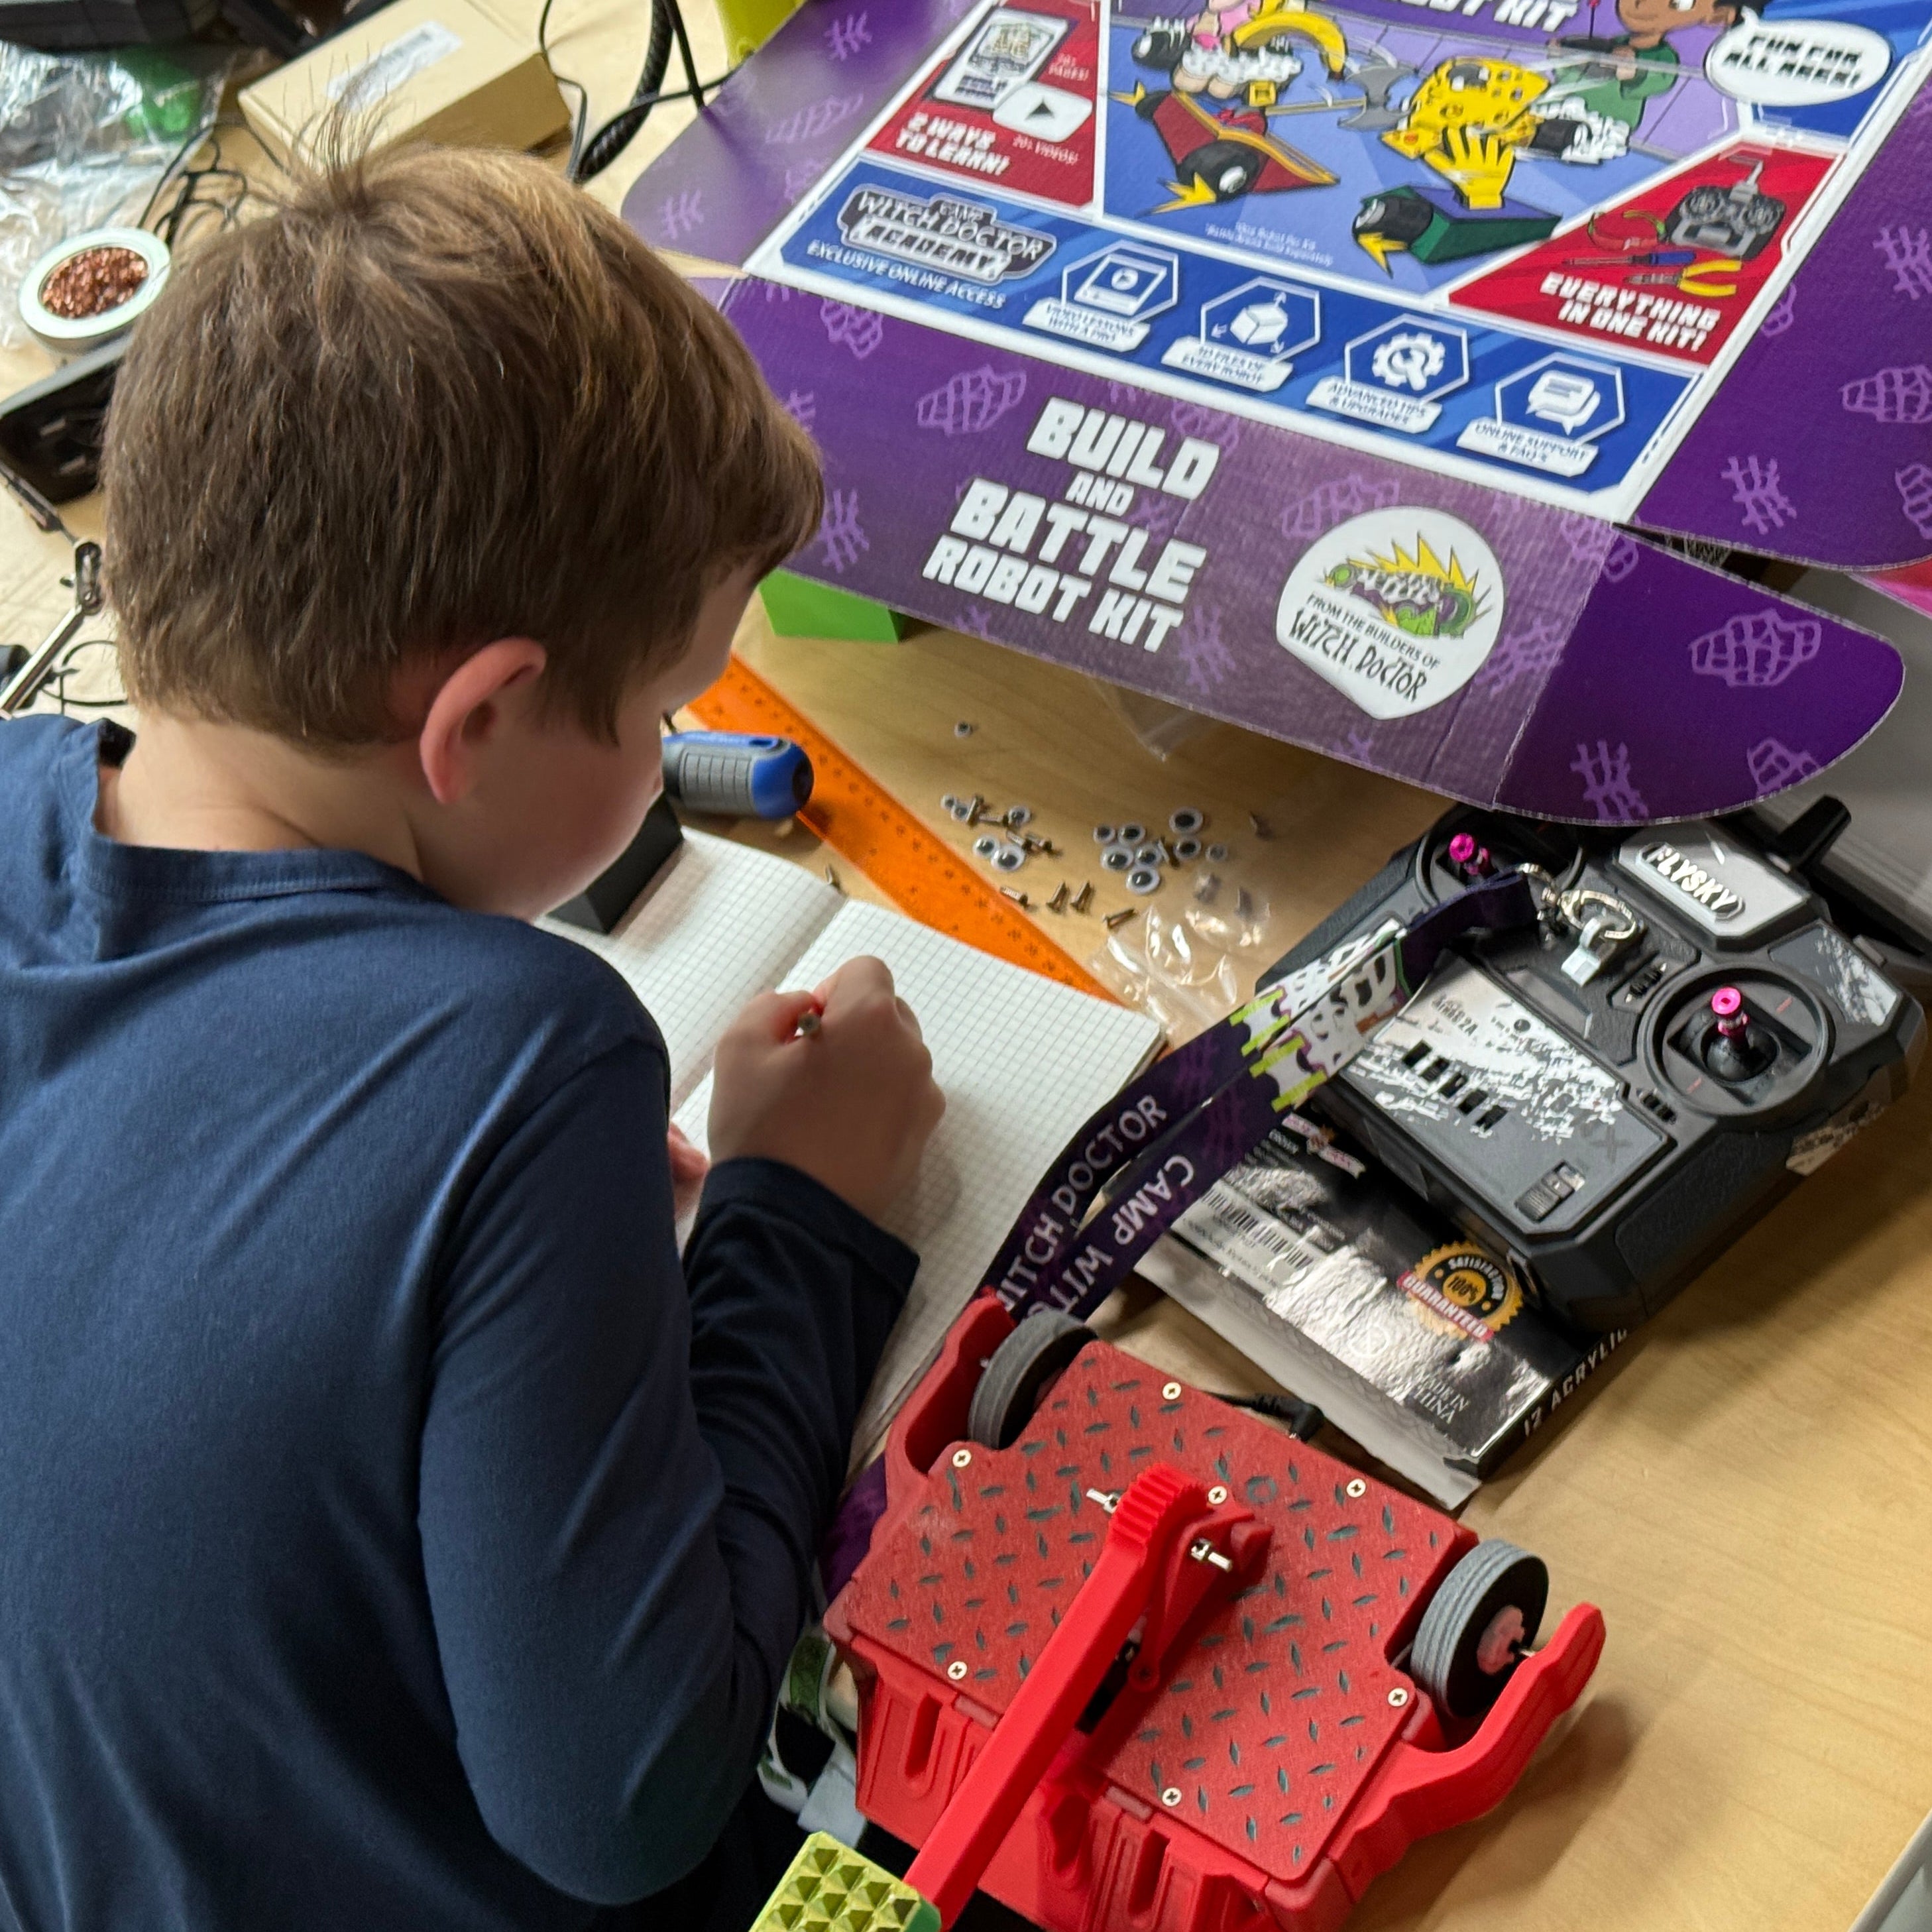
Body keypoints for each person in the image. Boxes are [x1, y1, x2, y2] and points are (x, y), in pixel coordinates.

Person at [0, 142, 945, 1932]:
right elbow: (626, 1796)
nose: (671, 744)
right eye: (666, 708)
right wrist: (796, 1214)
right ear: (483, 717)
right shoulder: (520, 1060)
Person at [1548, 0, 1748, 139]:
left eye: (1677, 3)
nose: (1644, 4)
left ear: (1716, 16)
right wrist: (1560, 58)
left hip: (1605, 124)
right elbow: (1573, 72)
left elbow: (1660, 79)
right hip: (1562, 111)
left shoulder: (1664, 56)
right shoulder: (1614, 43)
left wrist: (1635, 71)